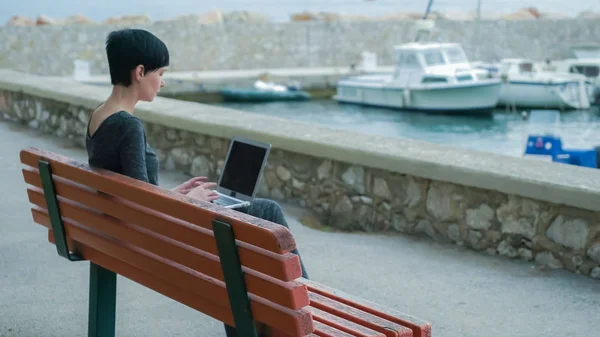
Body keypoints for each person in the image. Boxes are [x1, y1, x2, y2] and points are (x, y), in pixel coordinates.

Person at [85, 28, 308, 335]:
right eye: (160, 73)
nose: (162, 82)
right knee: (266, 214)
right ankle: (305, 309)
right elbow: (143, 207)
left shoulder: (99, 116)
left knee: (241, 249)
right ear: (139, 72)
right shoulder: (129, 126)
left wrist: (176, 194)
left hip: (120, 235)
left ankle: (281, 315)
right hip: (153, 240)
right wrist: (190, 203)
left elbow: (135, 193)